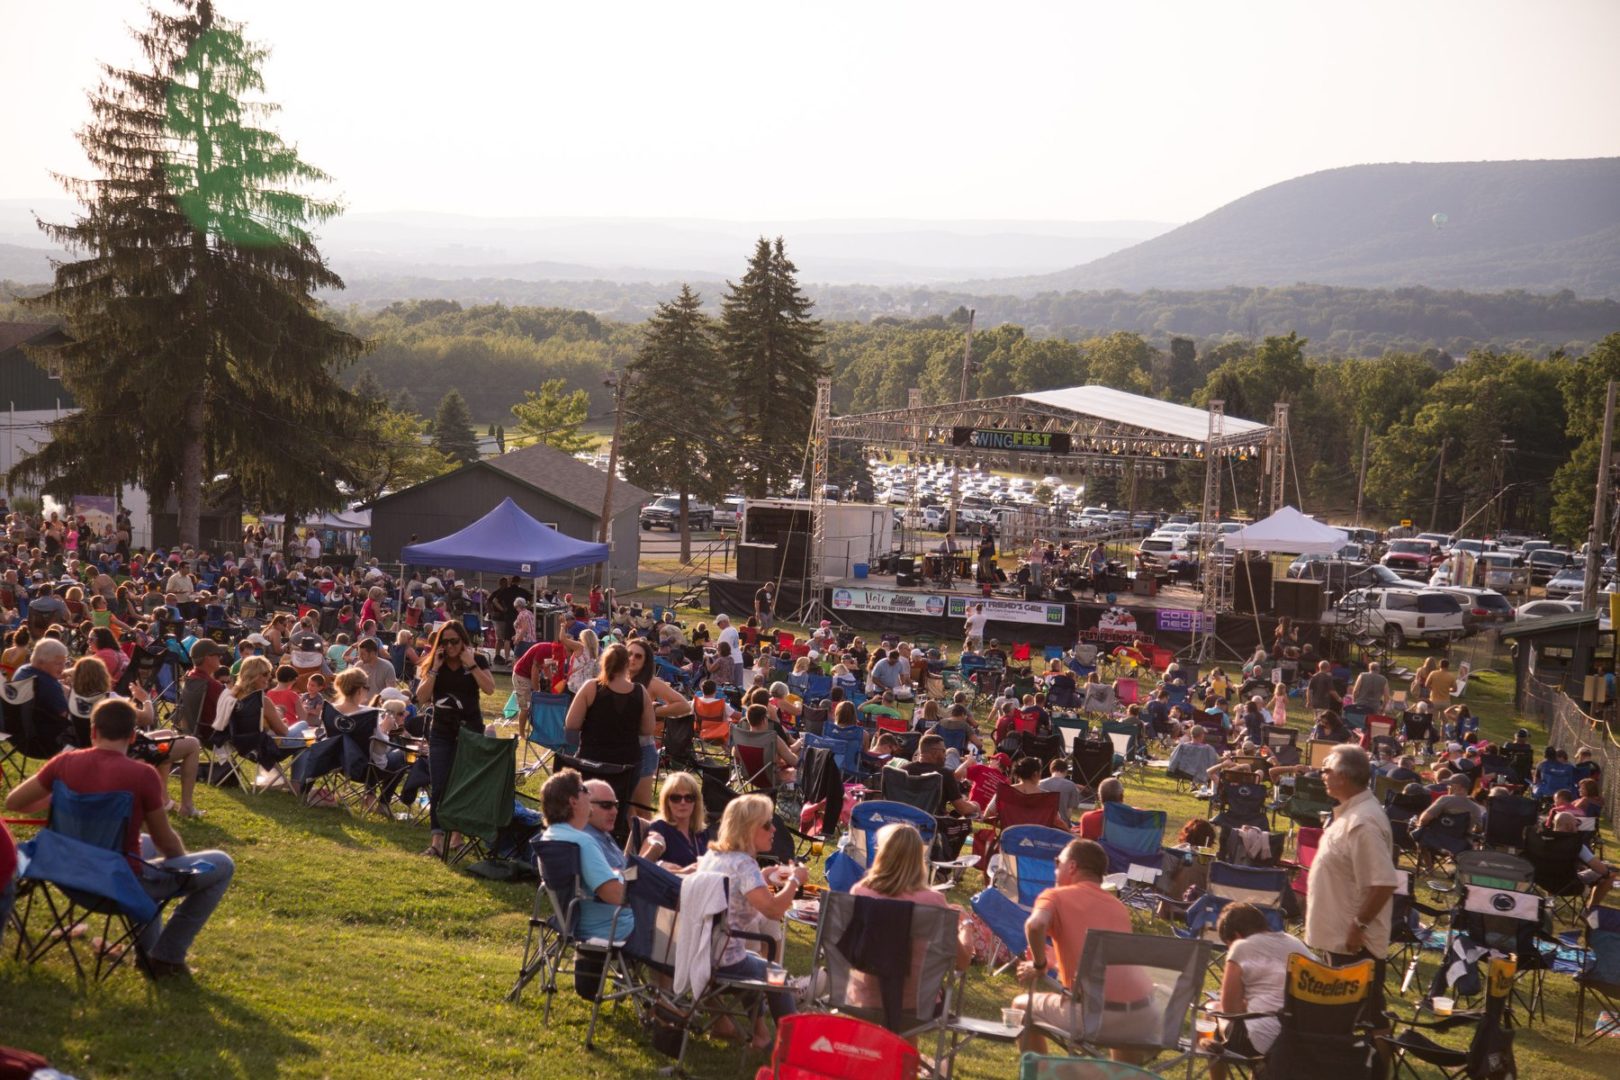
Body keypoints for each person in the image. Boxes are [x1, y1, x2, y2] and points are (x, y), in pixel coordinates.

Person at [4, 697, 235, 978]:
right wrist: (180, 865)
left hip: (63, 872)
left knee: (143, 845)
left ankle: (149, 955)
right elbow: (166, 842)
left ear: (92, 732)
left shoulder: (64, 763)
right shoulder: (142, 775)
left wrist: (64, 797)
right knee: (222, 864)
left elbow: (14, 802)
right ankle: (166, 956)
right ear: (133, 736)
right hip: (113, 883)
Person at [1012, 838, 1155, 1059]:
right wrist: (1055, 961)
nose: (1055, 869)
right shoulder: (1119, 908)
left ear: (1072, 866)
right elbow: (1107, 965)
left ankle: (1041, 1075)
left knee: (1022, 1006)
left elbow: (1035, 924)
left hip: (1094, 1017)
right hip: (1142, 1018)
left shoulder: (1055, 896)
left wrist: (1040, 965)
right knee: (1120, 1064)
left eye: (1057, 862)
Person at [694, 794, 804, 1048]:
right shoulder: (744, 864)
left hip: (702, 953)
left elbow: (734, 891)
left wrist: (763, 877)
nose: (774, 828)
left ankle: (761, 1035)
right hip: (725, 960)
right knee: (777, 976)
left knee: (757, 964)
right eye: (767, 824)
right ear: (748, 828)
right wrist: (795, 880)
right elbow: (775, 910)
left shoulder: (714, 857)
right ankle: (795, 1043)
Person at [1304, 745, 1399, 1027]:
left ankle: (1375, 1069)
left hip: (1355, 945)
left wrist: (1359, 926)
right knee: (1364, 1018)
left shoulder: (1363, 822)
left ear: (1344, 776)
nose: (1322, 774)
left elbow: (1382, 883)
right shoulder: (1350, 813)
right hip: (1342, 940)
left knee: (1364, 1021)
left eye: (1327, 769)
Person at [848, 823, 976, 1015]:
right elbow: (962, 962)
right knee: (908, 1014)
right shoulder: (933, 902)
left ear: (880, 854)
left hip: (862, 998)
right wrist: (966, 924)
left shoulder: (860, 892)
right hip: (915, 1006)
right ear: (919, 858)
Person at [539, 768, 632, 997]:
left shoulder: (551, 835)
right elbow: (613, 894)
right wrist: (651, 889)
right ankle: (667, 1005)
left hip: (577, 920)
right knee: (678, 922)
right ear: (573, 801)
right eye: (583, 790)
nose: (588, 796)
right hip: (612, 925)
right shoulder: (583, 841)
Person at [414, 621, 495, 858]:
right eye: (445, 642)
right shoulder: (433, 664)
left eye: (454, 641)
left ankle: (456, 837)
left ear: (463, 641)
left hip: (470, 731)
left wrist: (471, 666)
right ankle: (437, 840)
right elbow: (421, 697)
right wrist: (435, 669)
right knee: (439, 783)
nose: (449, 646)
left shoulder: (476, 660)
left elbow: (490, 688)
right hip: (441, 731)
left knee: (463, 784)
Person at [1210, 903, 1313, 1073]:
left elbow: (1229, 1009)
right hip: (1302, 1039)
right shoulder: (1296, 944)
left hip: (1260, 1041)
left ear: (1236, 936)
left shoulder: (1241, 946)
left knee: (1211, 1009)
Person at [564, 643, 654, 834]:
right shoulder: (640, 692)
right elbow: (648, 729)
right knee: (621, 807)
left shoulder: (591, 687)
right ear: (626, 665)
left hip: (591, 762)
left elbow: (571, 724)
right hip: (626, 766)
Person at [626, 638, 691, 819]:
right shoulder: (615, 678)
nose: (632, 659)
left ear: (645, 661)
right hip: (618, 748)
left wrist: (654, 710)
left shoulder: (651, 683)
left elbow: (684, 705)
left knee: (642, 810)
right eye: (629, 654)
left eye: (638, 656)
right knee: (623, 807)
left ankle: (647, 844)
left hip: (643, 749)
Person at [638, 770, 709, 872]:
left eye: (689, 797)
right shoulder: (659, 828)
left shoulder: (701, 833)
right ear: (667, 802)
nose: (683, 802)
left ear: (696, 802)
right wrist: (681, 871)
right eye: (676, 798)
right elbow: (641, 867)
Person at [904, 734, 979, 817]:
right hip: (931, 823)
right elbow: (962, 809)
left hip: (902, 819)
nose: (945, 755)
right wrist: (975, 806)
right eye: (943, 751)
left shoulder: (903, 770)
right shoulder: (944, 774)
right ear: (935, 752)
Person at [1551, 810, 1614, 907]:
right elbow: (1600, 869)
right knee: (1611, 871)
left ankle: (1549, 906)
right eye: (1576, 825)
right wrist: (1607, 874)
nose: (1578, 829)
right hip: (1570, 884)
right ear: (1568, 826)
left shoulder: (1543, 840)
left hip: (1544, 881)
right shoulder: (1576, 845)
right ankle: (1590, 910)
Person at [1040, 759, 1084, 823]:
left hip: (1043, 823)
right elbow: (1069, 811)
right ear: (1065, 771)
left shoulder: (1039, 784)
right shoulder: (1071, 785)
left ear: (1051, 769)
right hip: (1062, 824)